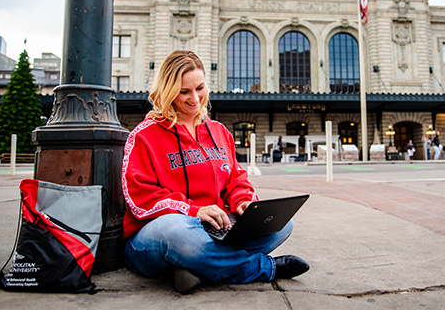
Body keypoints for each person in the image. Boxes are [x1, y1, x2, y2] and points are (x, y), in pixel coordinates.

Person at [121, 50, 309, 294]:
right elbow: (139, 198)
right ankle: (263, 268)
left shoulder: (218, 131)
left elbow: (235, 179)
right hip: (156, 237)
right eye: (184, 91)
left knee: (282, 224)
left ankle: (198, 267)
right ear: (167, 92)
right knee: (178, 232)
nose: (195, 98)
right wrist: (194, 211)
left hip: (217, 230)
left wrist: (243, 203)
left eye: (199, 88)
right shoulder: (144, 135)